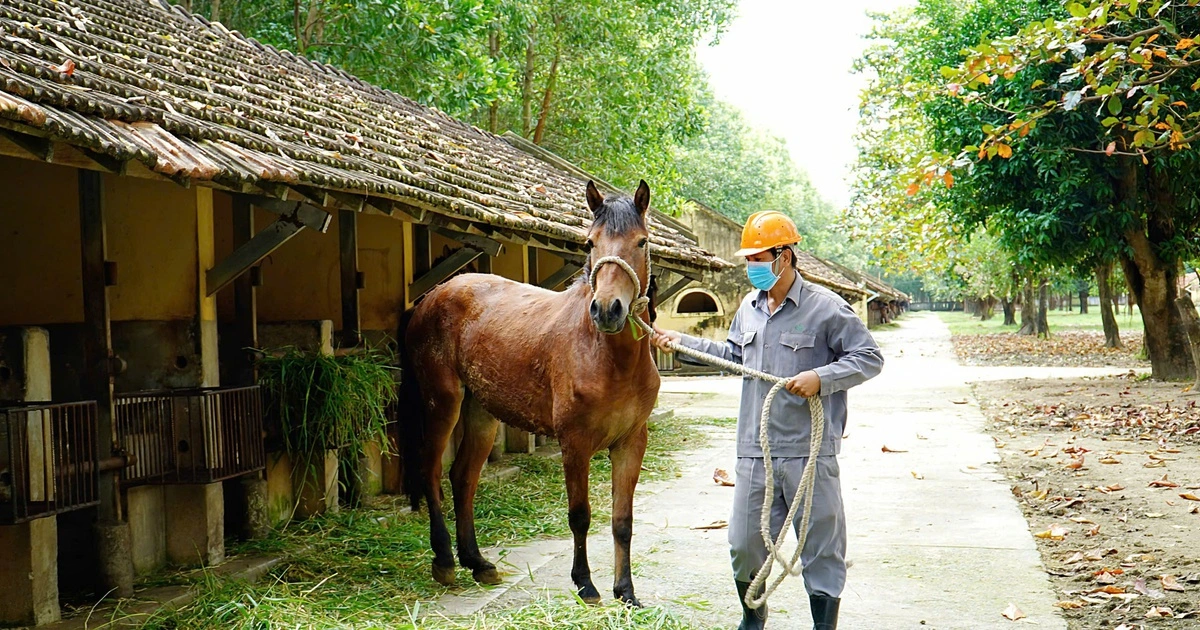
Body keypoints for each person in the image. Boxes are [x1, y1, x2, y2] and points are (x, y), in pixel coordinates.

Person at [652, 211, 883, 630]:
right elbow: (736, 359)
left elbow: (869, 358)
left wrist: (820, 378)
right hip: (754, 452)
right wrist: (680, 343)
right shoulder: (748, 309)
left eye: (759, 258)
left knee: (821, 547)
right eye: (749, 260)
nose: (751, 267)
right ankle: (752, 618)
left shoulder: (827, 309)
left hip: (809, 453)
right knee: (743, 543)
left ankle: (823, 625)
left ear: (786, 255)